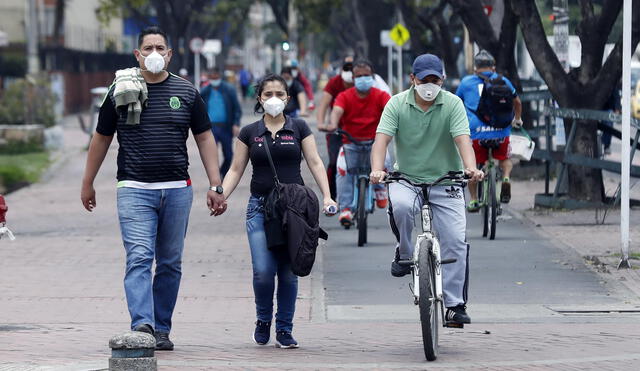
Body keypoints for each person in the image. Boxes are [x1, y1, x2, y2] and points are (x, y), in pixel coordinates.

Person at [80, 26, 226, 351]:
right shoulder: (121, 90)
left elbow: (204, 137)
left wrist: (216, 184)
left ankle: (162, 328)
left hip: (177, 189)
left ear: (170, 54)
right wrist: (87, 182)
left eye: (160, 47)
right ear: (137, 54)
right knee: (140, 257)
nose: (154, 53)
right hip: (133, 188)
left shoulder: (186, 92)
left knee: (171, 262)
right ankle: (142, 324)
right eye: (148, 48)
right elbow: (101, 137)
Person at [221, 74, 336, 348]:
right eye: (268, 93)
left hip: (294, 211)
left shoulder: (299, 128)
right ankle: (263, 320)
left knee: (287, 272)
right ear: (260, 98)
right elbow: (236, 169)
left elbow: (315, 162)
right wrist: (220, 195)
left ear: (287, 98)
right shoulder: (249, 132)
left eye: (280, 94)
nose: (274, 98)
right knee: (263, 270)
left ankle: (284, 329)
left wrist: (328, 196)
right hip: (260, 208)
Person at [369, 54, 483, 325]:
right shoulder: (396, 104)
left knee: (455, 241)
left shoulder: (453, 104)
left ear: (442, 80)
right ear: (413, 79)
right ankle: (405, 252)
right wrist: (377, 169)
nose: (430, 85)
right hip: (406, 179)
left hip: (447, 180)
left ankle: (454, 304)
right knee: (403, 208)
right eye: (424, 80)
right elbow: (381, 140)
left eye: (435, 80)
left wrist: (471, 168)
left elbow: (463, 140)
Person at [326, 60, 391, 227]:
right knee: (342, 170)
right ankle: (346, 208)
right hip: (350, 143)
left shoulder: (381, 95)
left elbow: (391, 110)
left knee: (387, 160)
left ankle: (380, 189)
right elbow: (337, 111)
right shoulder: (344, 96)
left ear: (373, 77)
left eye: (366, 76)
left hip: (376, 142)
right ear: (353, 78)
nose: (363, 79)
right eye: (359, 76)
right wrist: (333, 123)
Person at [455, 50, 522, 212]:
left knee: (472, 167)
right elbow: (517, 102)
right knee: (505, 159)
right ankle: (505, 178)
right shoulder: (503, 81)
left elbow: (456, 103)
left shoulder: (466, 82)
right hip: (501, 130)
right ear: (493, 67)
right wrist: (517, 120)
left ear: (475, 68)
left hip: (476, 132)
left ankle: (474, 200)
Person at [316, 56, 355, 200]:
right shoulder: (334, 83)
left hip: (358, 128)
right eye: (346, 68)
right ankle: (331, 196)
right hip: (336, 129)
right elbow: (324, 104)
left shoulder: (362, 82)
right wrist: (321, 123)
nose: (349, 72)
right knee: (333, 162)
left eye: (352, 68)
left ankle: (375, 190)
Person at [200, 68, 243, 178]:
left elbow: (237, 109)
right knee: (211, 155)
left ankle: (223, 172)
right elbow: (199, 109)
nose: (214, 79)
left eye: (216, 77)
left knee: (229, 155)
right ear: (209, 78)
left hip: (225, 127)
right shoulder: (205, 91)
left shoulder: (229, 90)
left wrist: (236, 124)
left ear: (220, 77)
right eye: (212, 77)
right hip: (210, 128)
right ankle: (215, 176)